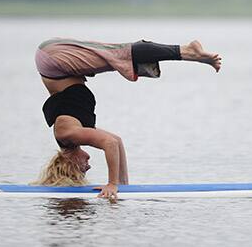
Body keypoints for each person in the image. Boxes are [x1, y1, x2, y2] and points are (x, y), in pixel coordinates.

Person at [33, 37, 222, 201]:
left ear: (69, 163)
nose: (89, 164)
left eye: (83, 168)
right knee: (119, 58)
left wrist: (111, 183)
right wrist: (123, 186)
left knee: (121, 55)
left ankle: (188, 51)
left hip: (54, 60)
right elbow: (116, 141)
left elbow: (108, 143)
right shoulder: (74, 133)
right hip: (57, 63)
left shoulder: (68, 134)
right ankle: (188, 52)